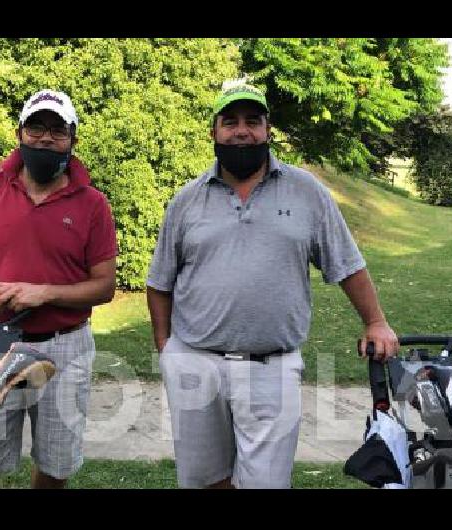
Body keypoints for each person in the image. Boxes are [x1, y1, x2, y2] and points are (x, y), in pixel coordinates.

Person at [146, 79, 399, 489]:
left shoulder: (307, 192)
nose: (241, 131)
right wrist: (167, 350)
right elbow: (160, 282)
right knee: (203, 478)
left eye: (253, 121)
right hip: (195, 362)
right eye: (230, 122)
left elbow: (347, 264)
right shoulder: (187, 200)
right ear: (214, 132)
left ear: (268, 131)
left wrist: (376, 321)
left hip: (271, 366)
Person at [0, 89, 118, 489]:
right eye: (36, 127)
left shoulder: (93, 204)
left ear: (73, 138)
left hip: (65, 345)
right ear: (20, 132)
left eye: (57, 130)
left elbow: (104, 286)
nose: (45, 138)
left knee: (56, 460)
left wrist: (43, 293)